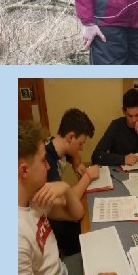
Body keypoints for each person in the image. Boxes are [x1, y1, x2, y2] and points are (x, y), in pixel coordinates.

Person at [18, 120, 117, 275]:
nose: (48, 167)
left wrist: (64, 187)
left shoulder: (34, 198)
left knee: (114, 255)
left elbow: (76, 214)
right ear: (24, 170)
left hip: (61, 269)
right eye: (43, 161)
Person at [45, 108, 101, 258]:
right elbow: (66, 200)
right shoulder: (46, 161)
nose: (81, 148)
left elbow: (74, 154)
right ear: (70, 137)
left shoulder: (54, 143)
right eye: (81, 143)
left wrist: (76, 163)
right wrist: (88, 176)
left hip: (54, 208)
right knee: (86, 226)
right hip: (48, 220)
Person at [92, 88, 138, 166]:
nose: (134, 120)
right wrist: (123, 159)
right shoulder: (116, 125)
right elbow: (96, 156)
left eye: (137, 115)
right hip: (118, 170)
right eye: (130, 116)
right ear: (124, 111)